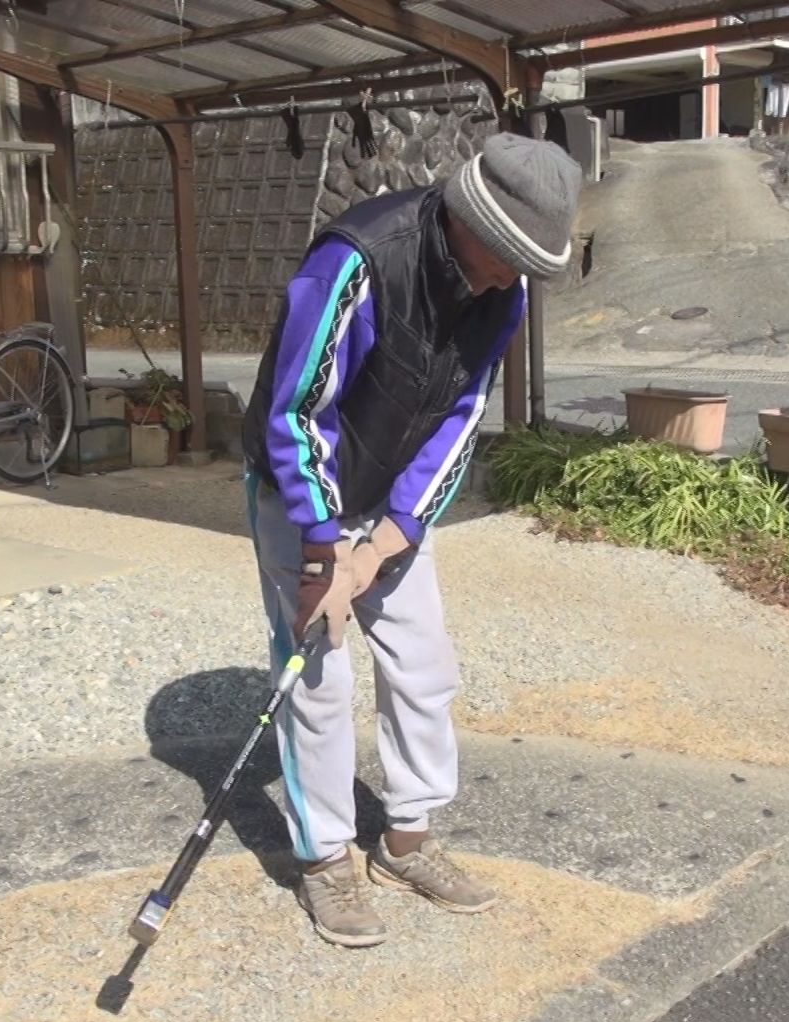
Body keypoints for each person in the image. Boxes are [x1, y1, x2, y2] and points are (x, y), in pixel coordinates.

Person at [239, 132, 583, 947]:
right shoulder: (358, 259)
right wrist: (326, 552)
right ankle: (325, 856)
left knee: (424, 665)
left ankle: (408, 838)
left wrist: (389, 538)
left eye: (527, 264)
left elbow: (458, 423)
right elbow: (295, 414)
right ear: (468, 218)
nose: (510, 275)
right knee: (316, 675)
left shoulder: (505, 293)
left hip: (386, 497)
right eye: (505, 254)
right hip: (301, 495)